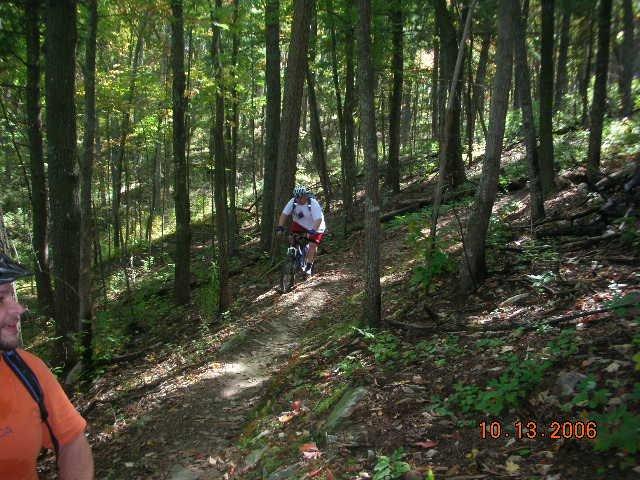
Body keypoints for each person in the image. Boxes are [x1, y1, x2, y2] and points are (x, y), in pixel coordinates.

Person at [0, 253, 94, 479]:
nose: (19, 310)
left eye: (11, 295)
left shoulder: (26, 369)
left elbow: (72, 441)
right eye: (1, 299)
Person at [276, 186, 326, 275]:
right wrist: (280, 227)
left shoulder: (313, 203)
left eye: (301, 197)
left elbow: (318, 219)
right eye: (297, 197)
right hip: (300, 224)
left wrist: (313, 231)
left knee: (312, 245)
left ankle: (309, 267)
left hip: (316, 225)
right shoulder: (293, 202)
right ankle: (293, 256)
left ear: (305, 196)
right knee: (292, 238)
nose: (299, 200)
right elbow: (284, 214)